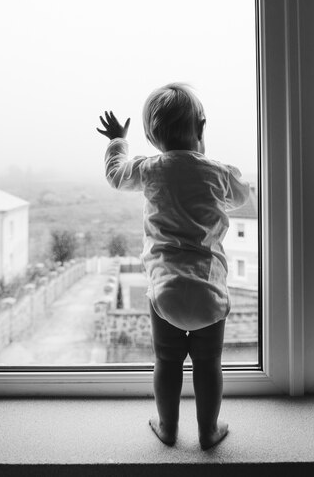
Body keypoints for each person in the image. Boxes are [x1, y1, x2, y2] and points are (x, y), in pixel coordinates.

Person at [96, 83, 249, 450]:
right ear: (202, 126)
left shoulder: (150, 170)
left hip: (164, 291)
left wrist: (118, 141)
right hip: (209, 292)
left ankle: (167, 428)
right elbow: (242, 194)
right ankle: (208, 432)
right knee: (208, 364)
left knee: (166, 362)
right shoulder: (218, 172)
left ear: (151, 136)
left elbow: (116, 174)